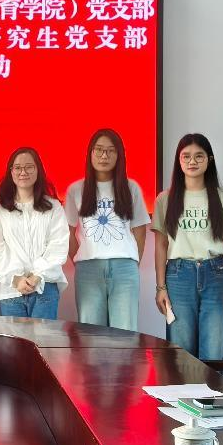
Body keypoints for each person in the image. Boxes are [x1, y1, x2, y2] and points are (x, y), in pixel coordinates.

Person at [152, 133, 223, 360]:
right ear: (178, 160)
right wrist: (160, 287)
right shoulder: (165, 199)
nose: (192, 161)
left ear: (209, 160)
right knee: (181, 354)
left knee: (213, 351)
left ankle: (210, 387)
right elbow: (161, 245)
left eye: (199, 156)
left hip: (216, 275)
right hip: (178, 276)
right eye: (186, 156)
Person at [64, 129, 151, 331]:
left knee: (125, 333)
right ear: (90, 153)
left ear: (119, 156)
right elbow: (68, 232)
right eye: (99, 150)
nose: (104, 156)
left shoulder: (131, 187)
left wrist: (131, 261)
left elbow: (140, 231)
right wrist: (80, 258)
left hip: (124, 268)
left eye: (111, 151)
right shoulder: (76, 189)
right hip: (88, 269)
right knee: (91, 334)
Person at [0, 147, 69, 319]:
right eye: (17, 167)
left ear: (38, 170)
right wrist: (16, 279)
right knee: (12, 338)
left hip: (45, 287)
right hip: (11, 291)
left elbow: (58, 244)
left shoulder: (53, 207)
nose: (23, 172)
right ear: (11, 172)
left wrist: (38, 275)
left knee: (43, 338)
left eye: (29, 167)